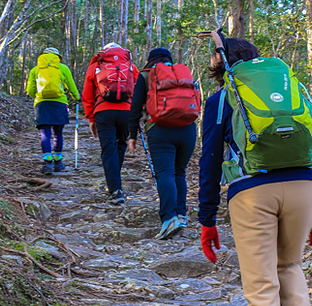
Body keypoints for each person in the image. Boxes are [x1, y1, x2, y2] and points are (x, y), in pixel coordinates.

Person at [197, 34, 312, 306]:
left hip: (253, 191)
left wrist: (207, 219)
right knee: (290, 264)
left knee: (261, 288)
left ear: (224, 64)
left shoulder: (224, 99)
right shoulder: (293, 87)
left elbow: (210, 160)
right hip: (305, 185)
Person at [127, 47, 198, 240]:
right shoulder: (182, 74)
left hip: (159, 129)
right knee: (179, 172)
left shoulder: (145, 75)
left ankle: (169, 219)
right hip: (188, 128)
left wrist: (132, 136)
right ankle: (181, 215)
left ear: (150, 60)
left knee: (164, 173)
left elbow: (134, 109)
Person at [82, 42, 140, 204]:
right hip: (126, 111)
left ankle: (115, 189)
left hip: (103, 111)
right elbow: (139, 91)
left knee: (108, 148)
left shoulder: (96, 66)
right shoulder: (130, 66)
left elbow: (87, 94)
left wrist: (91, 118)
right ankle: (115, 184)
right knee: (121, 145)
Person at [25, 47, 81, 175]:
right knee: (58, 134)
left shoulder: (35, 69)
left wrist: (37, 97)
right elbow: (71, 85)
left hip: (42, 103)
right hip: (59, 103)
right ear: (57, 57)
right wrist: (77, 97)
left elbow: (29, 89)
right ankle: (58, 162)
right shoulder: (63, 68)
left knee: (45, 135)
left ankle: (47, 163)